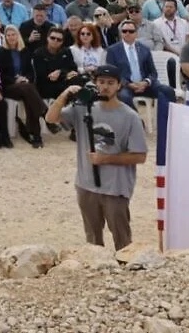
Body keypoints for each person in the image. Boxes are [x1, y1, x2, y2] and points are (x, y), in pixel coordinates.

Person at [45, 65, 147, 251]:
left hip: (115, 188)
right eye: (101, 82)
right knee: (92, 242)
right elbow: (51, 118)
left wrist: (106, 159)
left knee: (122, 241)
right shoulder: (83, 108)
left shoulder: (130, 116)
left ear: (119, 85)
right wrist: (65, 94)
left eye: (110, 83)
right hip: (86, 185)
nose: (105, 87)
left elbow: (140, 156)